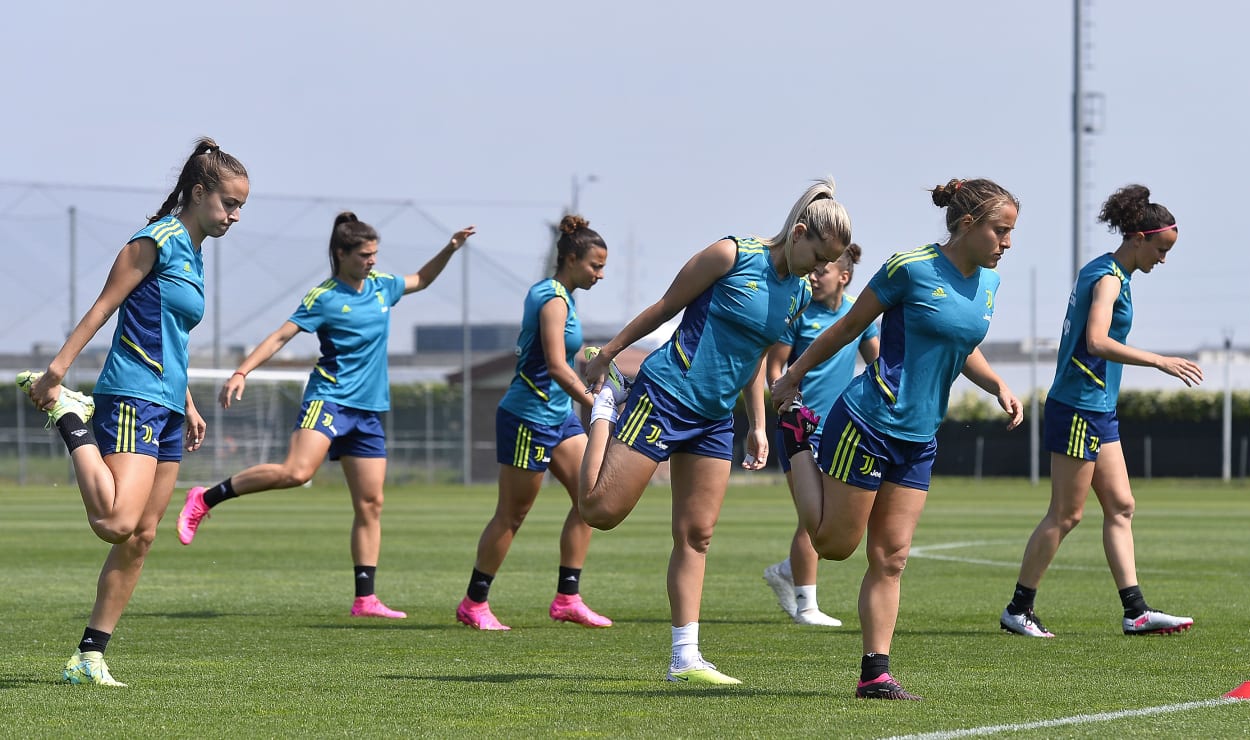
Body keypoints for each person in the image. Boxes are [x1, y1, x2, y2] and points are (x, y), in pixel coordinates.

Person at [578, 179, 852, 685]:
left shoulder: (795, 297)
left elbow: (754, 359)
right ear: (797, 233)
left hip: (714, 419)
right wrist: (611, 354)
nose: (819, 273)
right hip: (666, 394)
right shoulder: (731, 254)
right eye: (818, 257)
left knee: (697, 535)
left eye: (826, 264)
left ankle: (685, 657)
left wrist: (758, 425)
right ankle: (605, 406)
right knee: (600, 511)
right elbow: (665, 307)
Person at [771, 178, 1024, 700]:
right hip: (868, 421)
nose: (1008, 243)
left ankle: (875, 673)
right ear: (968, 224)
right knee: (834, 545)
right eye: (1001, 230)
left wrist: (998, 383)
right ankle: (797, 438)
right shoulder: (909, 267)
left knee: (891, 557)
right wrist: (793, 377)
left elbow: (958, 342)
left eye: (1012, 233)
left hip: (919, 437)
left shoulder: (991, 285)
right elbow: (846, 328)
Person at [16, 138, 249, 686]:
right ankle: (72, 419)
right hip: (132, 395)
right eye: (228, 204)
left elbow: (172, 336)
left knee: (143, 535)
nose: (235, 216)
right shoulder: (155, 241)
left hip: (167, 404)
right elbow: (104, 307)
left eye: (241, 207)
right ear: (198, 192)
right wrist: (57, 373)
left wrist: (188, 403)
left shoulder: (194, 251)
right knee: (116, 523)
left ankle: (89, 656)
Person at [175, 212, 475, 620]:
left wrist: (451, 248)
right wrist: (243, 370)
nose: (373, 261)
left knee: (371, 503)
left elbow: (421, 279)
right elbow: (283, 334)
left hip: (369, 411)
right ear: (341, 254)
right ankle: (205, 497)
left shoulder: (384, 287)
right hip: (329, 400)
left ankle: (365, 598)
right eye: (365, 254)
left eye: (375, 254)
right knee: (297, 473)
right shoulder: (324, 297)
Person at [1000, 185, 1200, 639]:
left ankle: (1136, 612)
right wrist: (1159, 360)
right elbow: (1096, 341)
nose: (1162, 260)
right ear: (1138, 237)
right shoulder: (1109, 277)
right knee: (1066, 515)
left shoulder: (1107, 271)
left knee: (1122, 505)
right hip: (1078, 408)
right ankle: (1018, 609)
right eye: (1161, 249)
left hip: (1098, 409)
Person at [455, 215, 613, 630]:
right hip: (528, 416)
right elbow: (558, 366)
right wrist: (595, 402)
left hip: (557, 417)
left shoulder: (566, 296)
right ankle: (474, 603)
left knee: (591, 498)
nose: (600, 275)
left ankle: (567, 598)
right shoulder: (552, 297)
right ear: (572, 258)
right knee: (512, 515)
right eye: (595, 266)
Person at [762, 244, 880, 627]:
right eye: (813, 271)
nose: (813, 275)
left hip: (840, 431)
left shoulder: (857, 315)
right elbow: (775, 365)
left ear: (844, 277)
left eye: (822, 271)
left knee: (826, 515)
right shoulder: (799, 313)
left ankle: (787, 569)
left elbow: (878, 363)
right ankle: (806, 606)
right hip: (799, 425)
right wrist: (786, 401)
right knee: (809, 517)